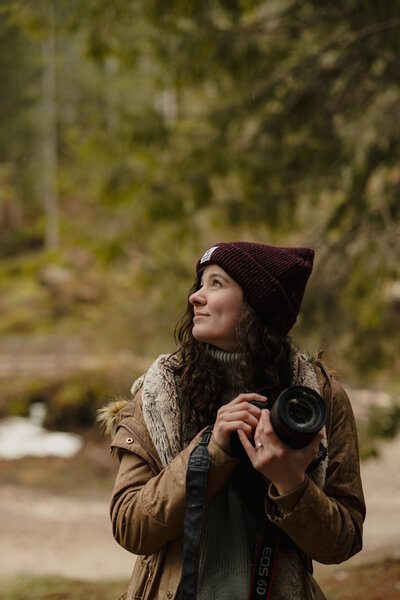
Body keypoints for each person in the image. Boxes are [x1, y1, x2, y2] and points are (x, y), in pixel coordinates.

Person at [99, 241, 365, 600]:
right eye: (200, 284)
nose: (195, 297)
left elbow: (343, 541)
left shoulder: (314, 397)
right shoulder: (159, 394)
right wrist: (209, 453)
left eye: (217, 284)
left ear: (257, 304)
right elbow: (130, 526)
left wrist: (290, 482)